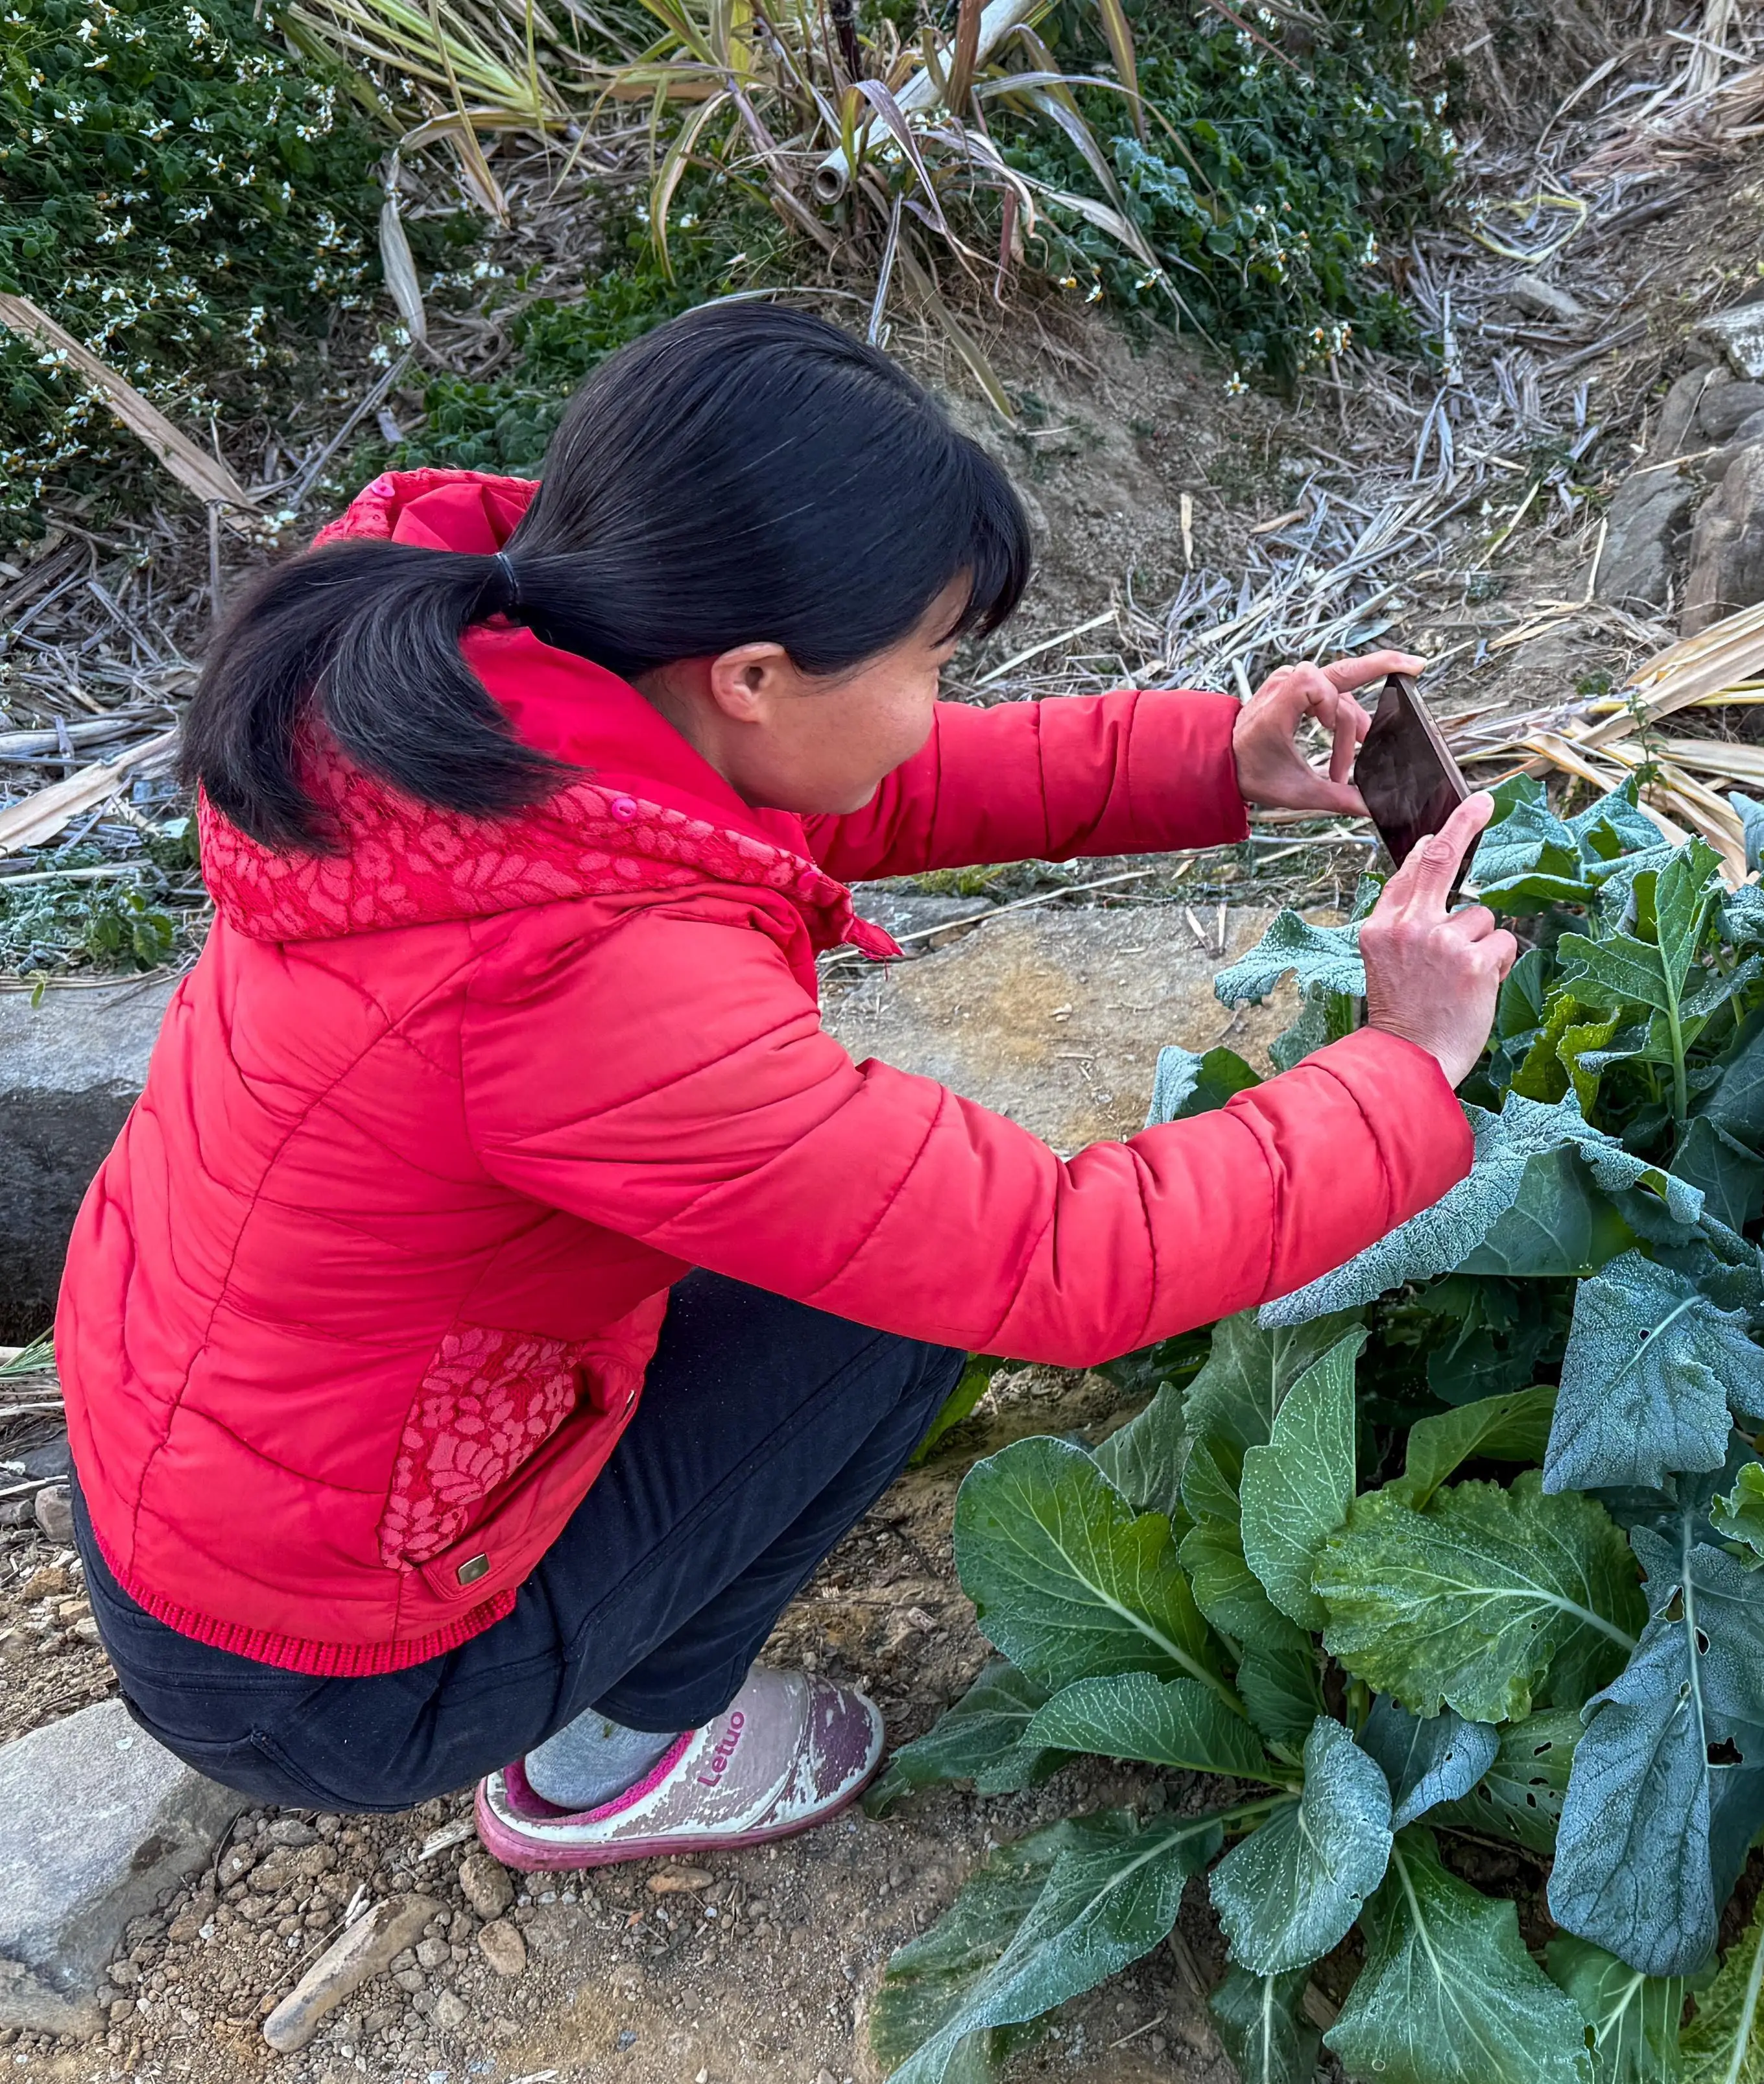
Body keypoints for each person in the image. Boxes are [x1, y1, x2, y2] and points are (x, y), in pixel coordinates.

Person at [57, 302, 1519, 1868]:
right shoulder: (575, 968)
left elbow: (835, 786)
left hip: (212, 1476)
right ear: (750, 673)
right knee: (907, 1297)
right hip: (321, 1670)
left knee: (851, 1231)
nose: (932, 696)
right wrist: (1403, 1065)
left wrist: (1206, 760)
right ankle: (610, 1763)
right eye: (934, 658)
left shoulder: (472, 701)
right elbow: (1058, 1261)